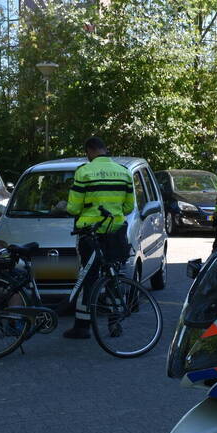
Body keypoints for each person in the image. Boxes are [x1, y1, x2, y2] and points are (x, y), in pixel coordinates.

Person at [61, 137, 135, 339]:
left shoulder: (84, 172)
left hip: (90, 234)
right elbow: (129, 207)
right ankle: (115, 323)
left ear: (89, 151)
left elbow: (73, 208)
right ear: (105, 149)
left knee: (89, 278)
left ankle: (82, 326)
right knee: (114, 277)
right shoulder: (124, 172)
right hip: (115, 232)